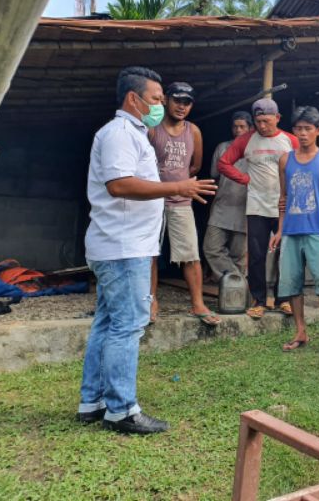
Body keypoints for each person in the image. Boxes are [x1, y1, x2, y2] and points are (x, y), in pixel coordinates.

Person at [77, 67, 216, 434]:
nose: (160, 105)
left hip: (121, 244)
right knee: (127, 326)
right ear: (133, 99)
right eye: (156, 99)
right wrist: (179, 186)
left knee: (107, 323)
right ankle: (122, 410)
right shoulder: (121, 134)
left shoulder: (131, 133)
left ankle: (92, 401)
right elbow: (120, 185)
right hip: (123, 248)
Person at [269, 106, 319, 357]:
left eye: (308, 129)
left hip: (318, 230)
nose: (302, 134)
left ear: (318, 131)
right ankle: (300, 331)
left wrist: (317, 209)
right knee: (292, 283)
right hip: (290, 231)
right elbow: (283, 198)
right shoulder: (285, 160)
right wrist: (279, 229)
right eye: (298, 128)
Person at [218, 98, 298, 318]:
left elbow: (304, 164)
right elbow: (223, 163)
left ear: (277, 118)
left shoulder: (289, 141)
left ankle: (284, 299)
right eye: (258, 121)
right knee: (256, 256)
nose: (262, 126)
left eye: (266, 121)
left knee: (286, 255)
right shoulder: (246, 140)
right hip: (256, 207)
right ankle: (259, 300)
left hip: (284, 208)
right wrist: (243, 178)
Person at [148, 82, 218, 326]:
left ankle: (198, 303)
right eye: (177, 100)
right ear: (166, 100)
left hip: (182, 201)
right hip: (152, 201)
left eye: (187, 102)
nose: (181, 106)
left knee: (190, 254)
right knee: (150, 253)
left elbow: (195, 166)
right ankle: (151, 301)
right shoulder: (153, 129)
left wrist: (179, 182)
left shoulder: (193, 131)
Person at [203, 111, 252, 279]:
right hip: (222, 206)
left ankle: (234, 297)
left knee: (239, 255)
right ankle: (236, 282)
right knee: (211, 248)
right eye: (235, 126)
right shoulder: (223, 147)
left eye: (242, 127)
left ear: (250, 128)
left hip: (245, 207)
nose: (238, 130)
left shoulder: (256, 150)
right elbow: (214, 177)